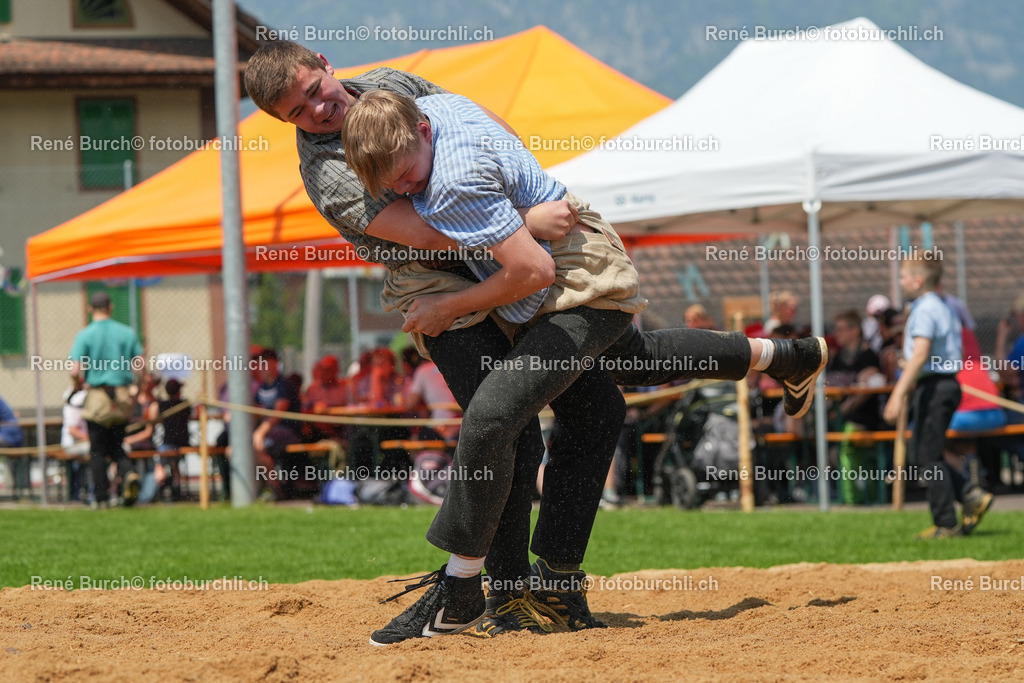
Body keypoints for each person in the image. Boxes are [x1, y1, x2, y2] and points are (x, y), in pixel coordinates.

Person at [245, 42, 826, 644]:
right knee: (508, 422)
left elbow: (481, 124)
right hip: (443, 278)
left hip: (509, 259)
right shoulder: (329, 171)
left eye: (313, 90)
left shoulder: (390, 85)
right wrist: (526, 225)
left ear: (323, 64)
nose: (314, 110)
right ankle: (500, 592)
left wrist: (527, 190)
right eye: (296, 112)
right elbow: (432, 233)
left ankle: (554, 585)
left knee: (601, 398)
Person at [882, 256, 991, 539]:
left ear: (918, 280)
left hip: (934, 387)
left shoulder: (925, 309)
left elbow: (920, 354)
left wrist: (898, 394)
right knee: (923, 454)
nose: (901, 281)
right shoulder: (945, 306)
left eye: (904, 276)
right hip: (944, 384)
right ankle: (970, 494)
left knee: (927, 458)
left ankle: (946, 523)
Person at [68, 291, 144, 508]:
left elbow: (75, 370)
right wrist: (136, 393)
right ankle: (128, 474)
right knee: (117, 445)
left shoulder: (85, 335)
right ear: (111, 307)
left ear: (91, 309)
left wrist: (77, 386)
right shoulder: (127, 332)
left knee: (98, 450)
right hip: (121, 395)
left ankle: (102, 498)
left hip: (98, 397)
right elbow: (140, 366)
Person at [60, 378, 89, 501]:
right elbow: (72, 430)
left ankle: (84, 492)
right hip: (72, 445)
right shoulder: (77, 399)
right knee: (95, 452)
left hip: (80, 444)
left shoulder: (76, 396)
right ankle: (85, 493)